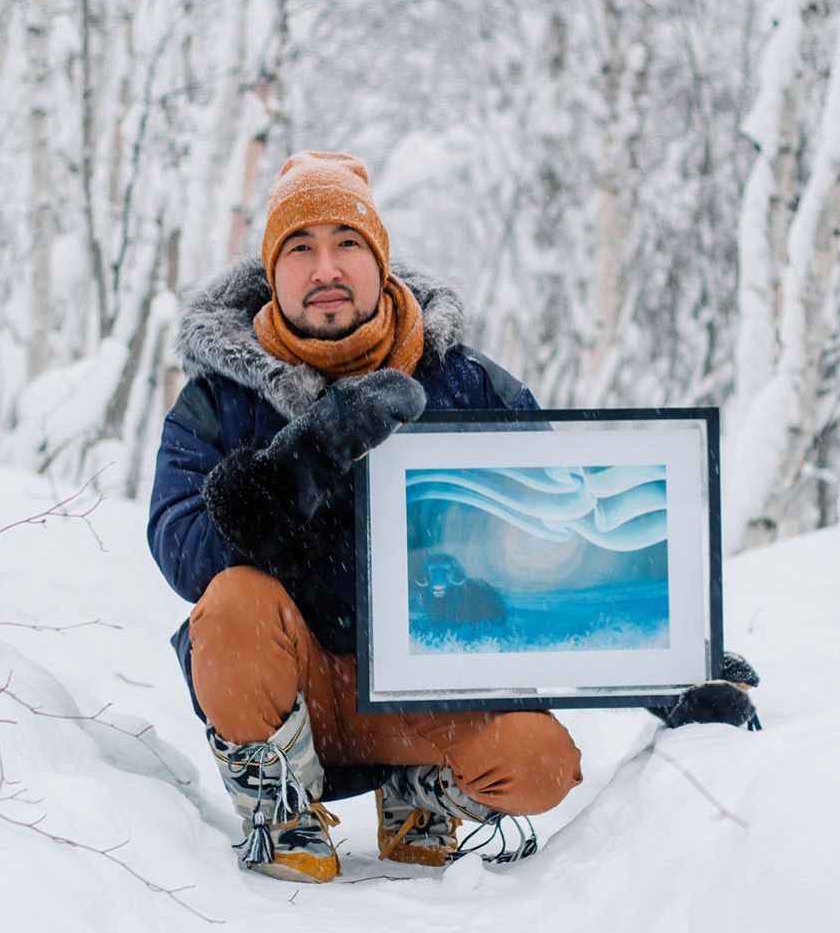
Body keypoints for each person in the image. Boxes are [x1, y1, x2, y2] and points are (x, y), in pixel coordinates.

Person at [148, 151, 753, 884]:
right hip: (290, 681)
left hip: (424, 693)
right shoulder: (218, 396)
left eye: (347, 244)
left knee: (542, 763)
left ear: (382, 261)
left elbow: (563, 539)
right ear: (272, 274)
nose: (325, 268)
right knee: (231, 604)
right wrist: (295, 467)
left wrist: (668, 660)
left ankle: (421, 791)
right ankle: (281, 804)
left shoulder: (467, 382)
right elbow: (179, 548)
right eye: (300, 249)